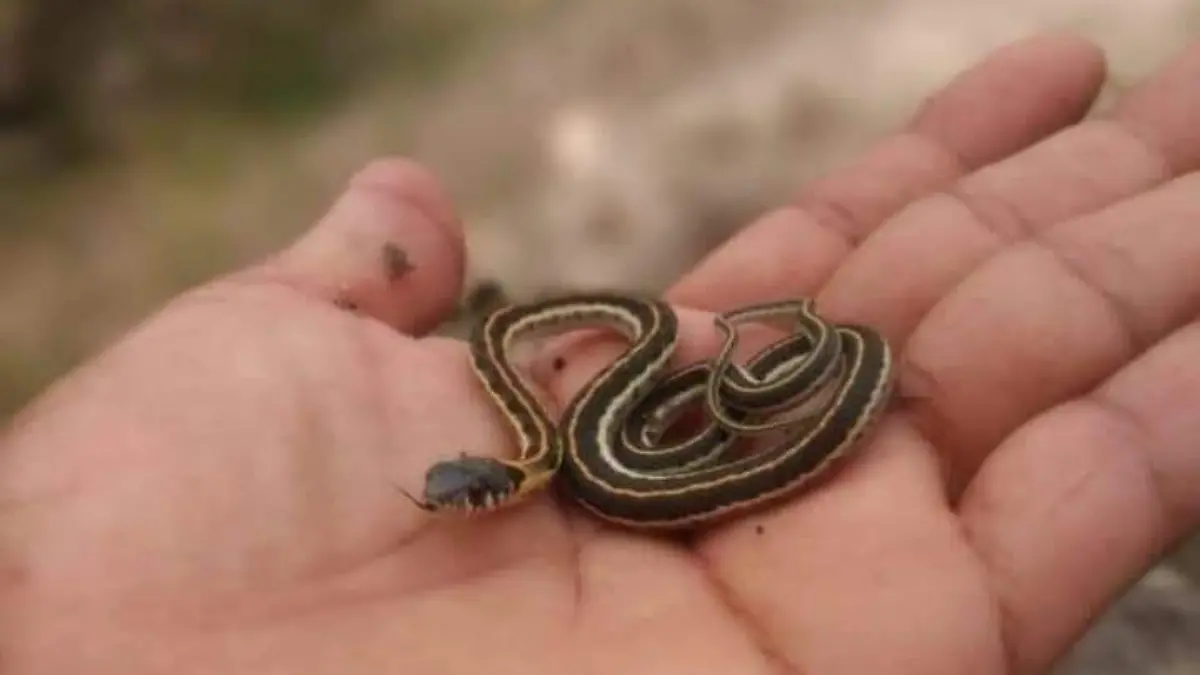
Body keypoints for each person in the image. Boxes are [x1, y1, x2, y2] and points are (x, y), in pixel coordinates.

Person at [2, 31, 1198, 674]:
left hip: (702, 395)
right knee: (665, 417)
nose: (454, 501)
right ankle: (797, 373)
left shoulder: (558, 426)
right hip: (668, 416)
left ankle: (812, 372)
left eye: (467, 495)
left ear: (509, 482)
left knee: (725, 386)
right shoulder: (546, 428)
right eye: (463, 494)